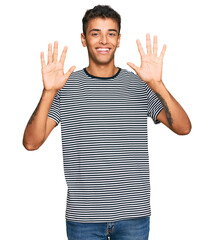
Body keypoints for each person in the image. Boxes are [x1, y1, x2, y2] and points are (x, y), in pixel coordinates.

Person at [23, 5, 191, 240]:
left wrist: (157, 84)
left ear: (119, 40)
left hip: (133, 215)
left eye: (111, 33)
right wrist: (49, 91)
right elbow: (31, 143)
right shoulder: (65, 86)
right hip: (83, 217)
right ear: (83, 39)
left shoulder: (139, 85)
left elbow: (183, 128)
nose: (104, 40)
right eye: (95, 33)